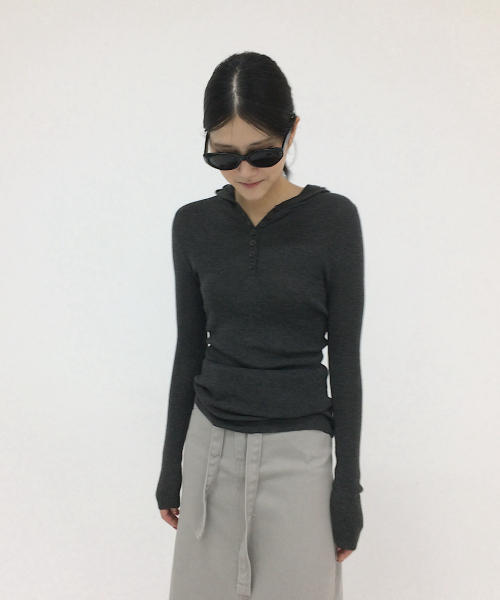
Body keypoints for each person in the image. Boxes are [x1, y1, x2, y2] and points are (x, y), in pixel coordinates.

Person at [156, 51, 365, 600]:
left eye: (263, 152)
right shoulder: (193, 225)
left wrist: (347, 486)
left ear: (292, 132)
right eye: (224, 156)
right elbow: (189, 349)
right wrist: (171, 465)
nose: (245, 171)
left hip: (299, 458)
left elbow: (345, 358)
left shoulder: (334, 221)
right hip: (209, 447)